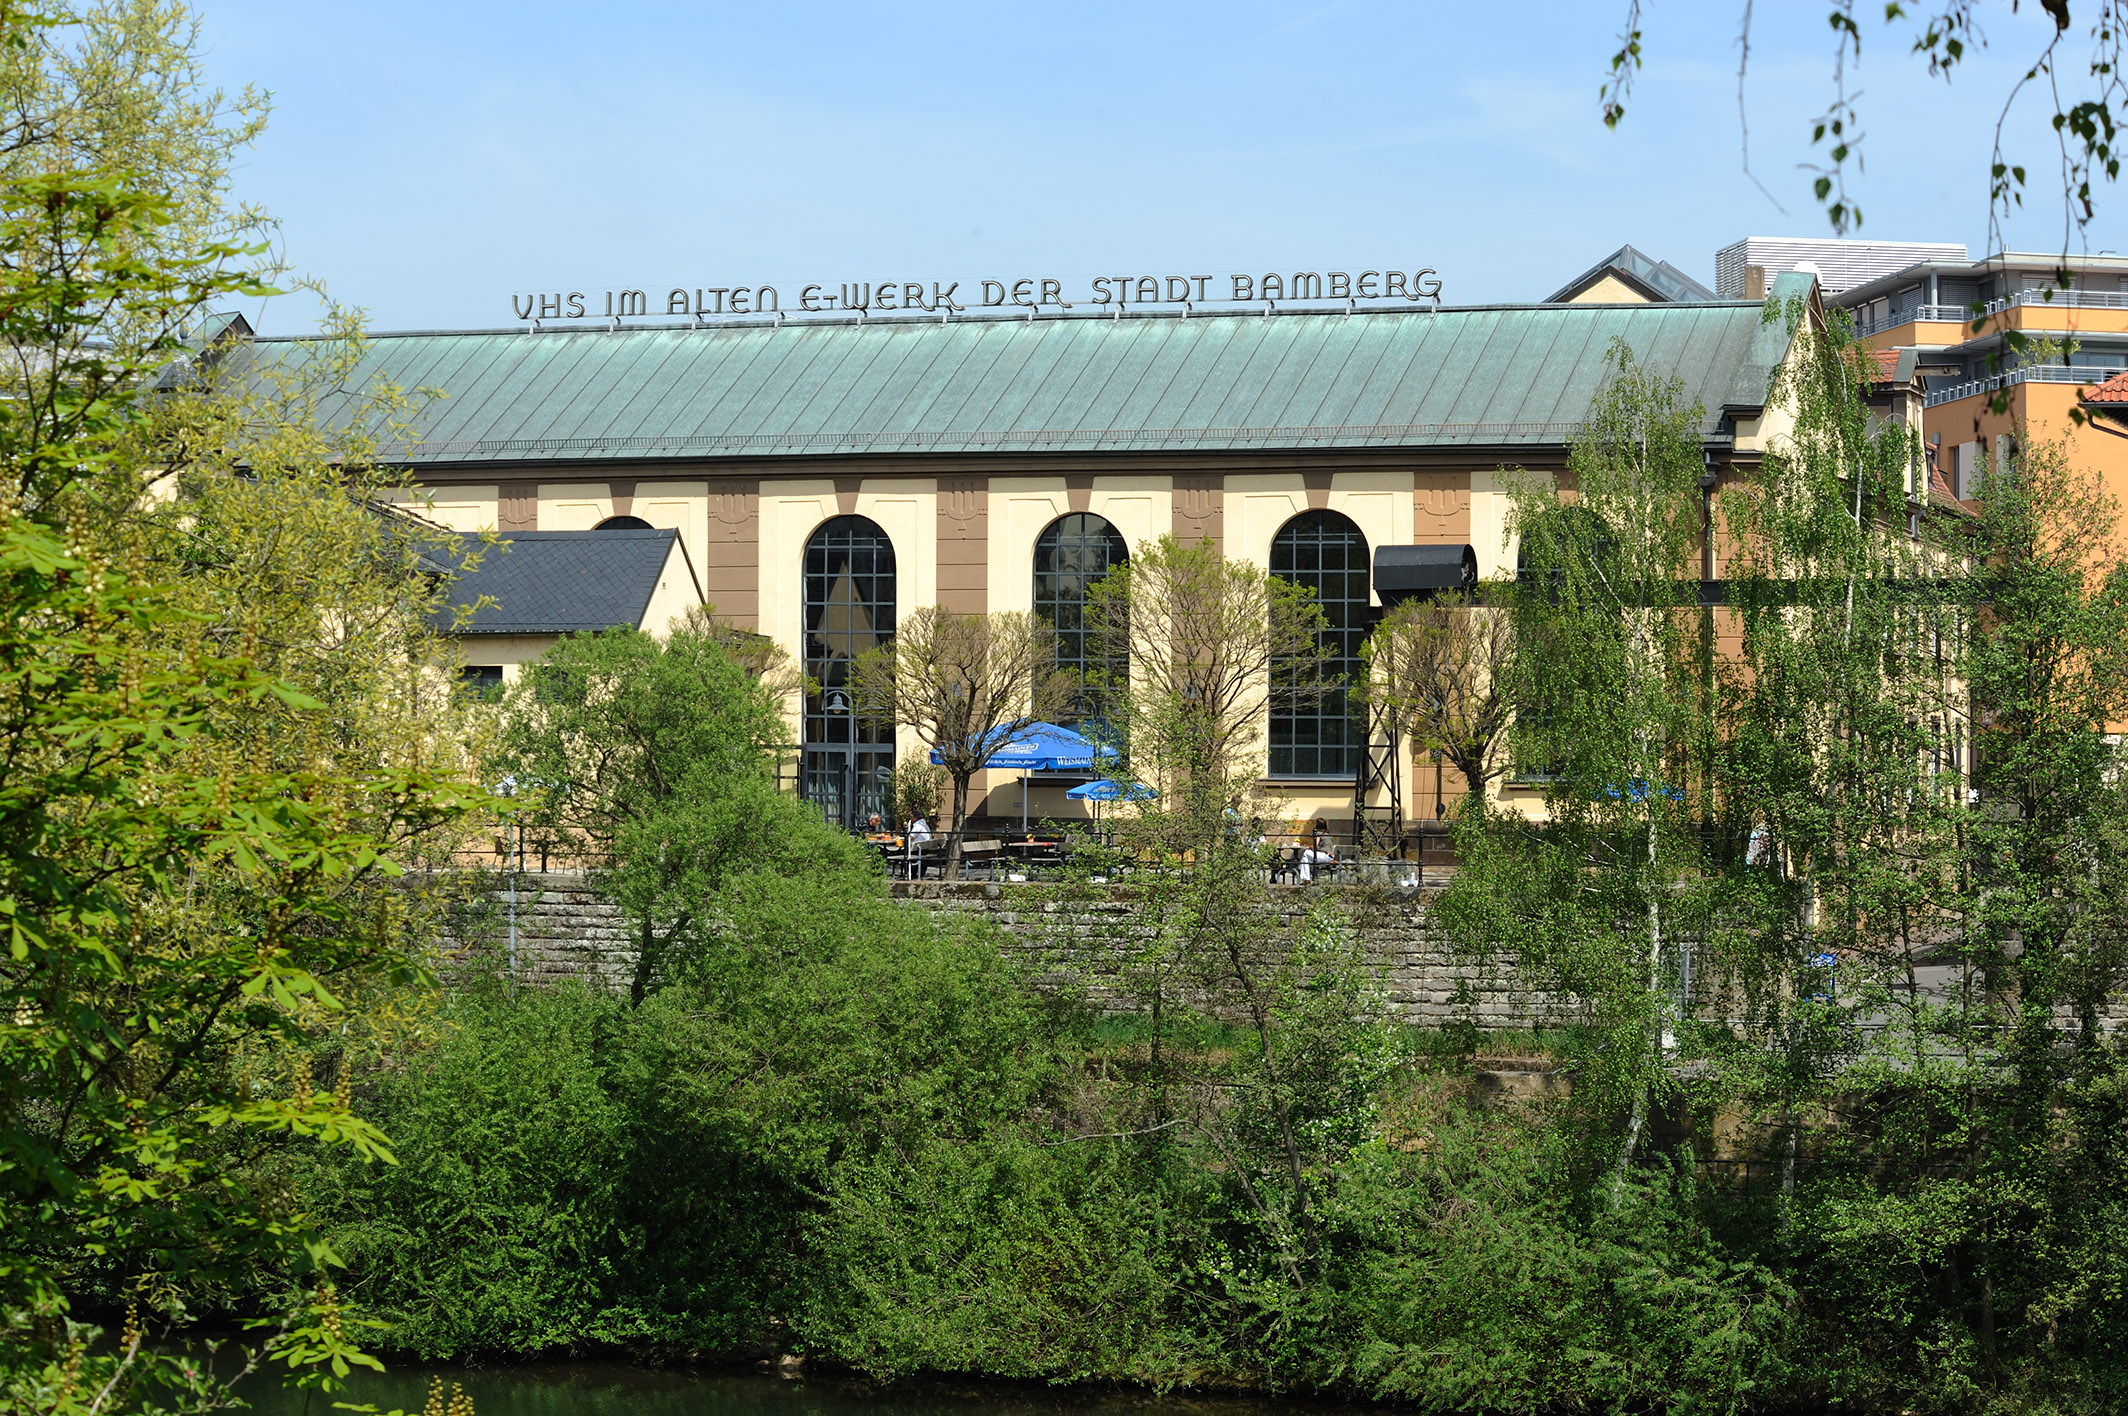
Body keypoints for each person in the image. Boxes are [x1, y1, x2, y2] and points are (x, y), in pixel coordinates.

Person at [1298, 818, 1336, 884]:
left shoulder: (1318, 834)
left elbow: (1315, 846)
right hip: (1330, 857)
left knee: (1305, 853)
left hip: (1324, 856)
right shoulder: (1328, 834)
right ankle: (1305, 879)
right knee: (1305, 859)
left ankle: (1305, 877)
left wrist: (1310, 847)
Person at [905, 814, 932, 880]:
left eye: (911, 817)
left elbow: (911, 837)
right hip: (924, 848)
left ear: (915, 818)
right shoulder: (924, 824)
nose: (911, 819)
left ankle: (910, 873)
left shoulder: (918, 825)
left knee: (904, 853)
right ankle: (918, 873)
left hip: (918, 849)